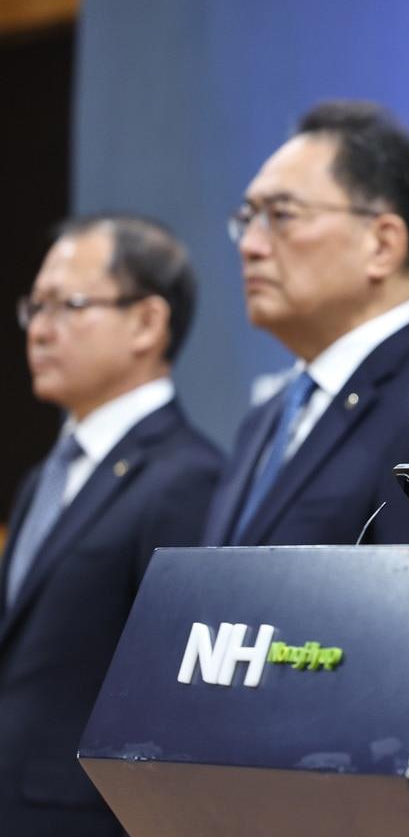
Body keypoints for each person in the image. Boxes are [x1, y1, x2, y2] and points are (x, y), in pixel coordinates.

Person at [0, 215, 222, 836]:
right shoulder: (42, 477)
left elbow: (176, 694)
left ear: (147, 323)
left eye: (68, 305)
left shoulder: (187, 478)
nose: (40, 330)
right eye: (34, 307)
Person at [202, 100, 409, 547]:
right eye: (247, 219)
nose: (251, 246)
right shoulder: (267, 418)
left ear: (382, 244)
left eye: (281, 216)